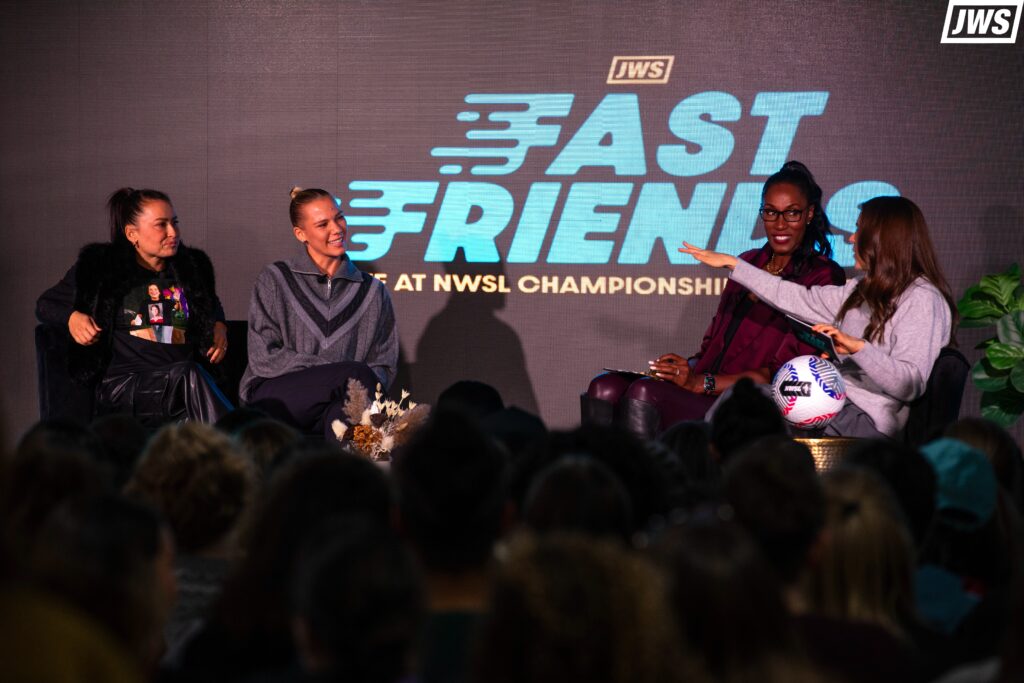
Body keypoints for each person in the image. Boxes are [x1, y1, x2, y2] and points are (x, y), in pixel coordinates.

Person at [584, 161, 845, 437]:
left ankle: (651, 480)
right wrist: (681, 370)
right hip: (705, 383)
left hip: (744, 402)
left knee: (643, 392)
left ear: (809, 214)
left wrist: (701, 383)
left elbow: (780, 375)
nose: (780, 224)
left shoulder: (822, 276)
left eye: (791, 213)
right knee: (605, 386)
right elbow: (712, 345)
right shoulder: (748, 261)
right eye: (770, 212)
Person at [681, 194, 956, 438]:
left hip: (863, 418)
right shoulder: (860, 290)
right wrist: (734, 264)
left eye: (858, 229)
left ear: (881, 239)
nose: (851, 237)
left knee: (752, 424)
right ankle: (706, 476)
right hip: (829, 400)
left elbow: (910, 384)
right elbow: (794, 297)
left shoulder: (922, 299)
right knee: (740, 399)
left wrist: (858, 348)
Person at [36, 188, 232, 427]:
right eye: (161, 225)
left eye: (175, 223)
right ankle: (240, 448)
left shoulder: (189, 268)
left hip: (179, 385)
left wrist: (219, 325)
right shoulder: (101, 269)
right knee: (189, 376)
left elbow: (211, 303)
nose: (173, 233)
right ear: (132, 234)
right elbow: (45, 305)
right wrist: (72, 317)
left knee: (189, 389)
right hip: (124, 387)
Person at [240, 187, 398, 439]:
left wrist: (341, 382)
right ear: (301, 234)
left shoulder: (373, 292)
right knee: (354, 376)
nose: (337, 229)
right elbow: (263, 356)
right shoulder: (275, 279)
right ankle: (389, 462)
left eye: (339, 217)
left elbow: (383, 365)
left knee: (345, 412)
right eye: (323, 224)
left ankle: (349, 476)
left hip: (348, 396)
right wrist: (335, 372)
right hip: (277, 397)